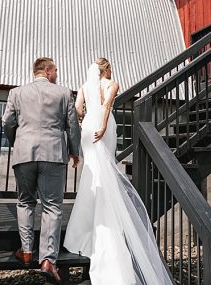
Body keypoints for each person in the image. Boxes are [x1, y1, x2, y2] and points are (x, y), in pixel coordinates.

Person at [64, 58, 172, 284]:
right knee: (106, 165)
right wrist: (103, 126)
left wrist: (85, 122)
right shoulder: (112, 84)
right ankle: (106, 212)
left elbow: (76, 109)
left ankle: (82, 226)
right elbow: (107, 106)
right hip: (102, 125)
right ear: (107, 69)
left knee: (92, 169)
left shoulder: (85, 86)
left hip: (87, 127)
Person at [1, 57, 80, 283]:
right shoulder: (64, 93)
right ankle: (47, 260)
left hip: (24, 153)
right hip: (53, 155)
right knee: (52, 206)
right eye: (55, 70)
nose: (57, 73)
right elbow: (72, 125)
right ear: (46, 70)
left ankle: (26, 252)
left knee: (25, 201)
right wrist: (75, 152)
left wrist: (18, 142)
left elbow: (7, 122)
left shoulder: (16, 93)